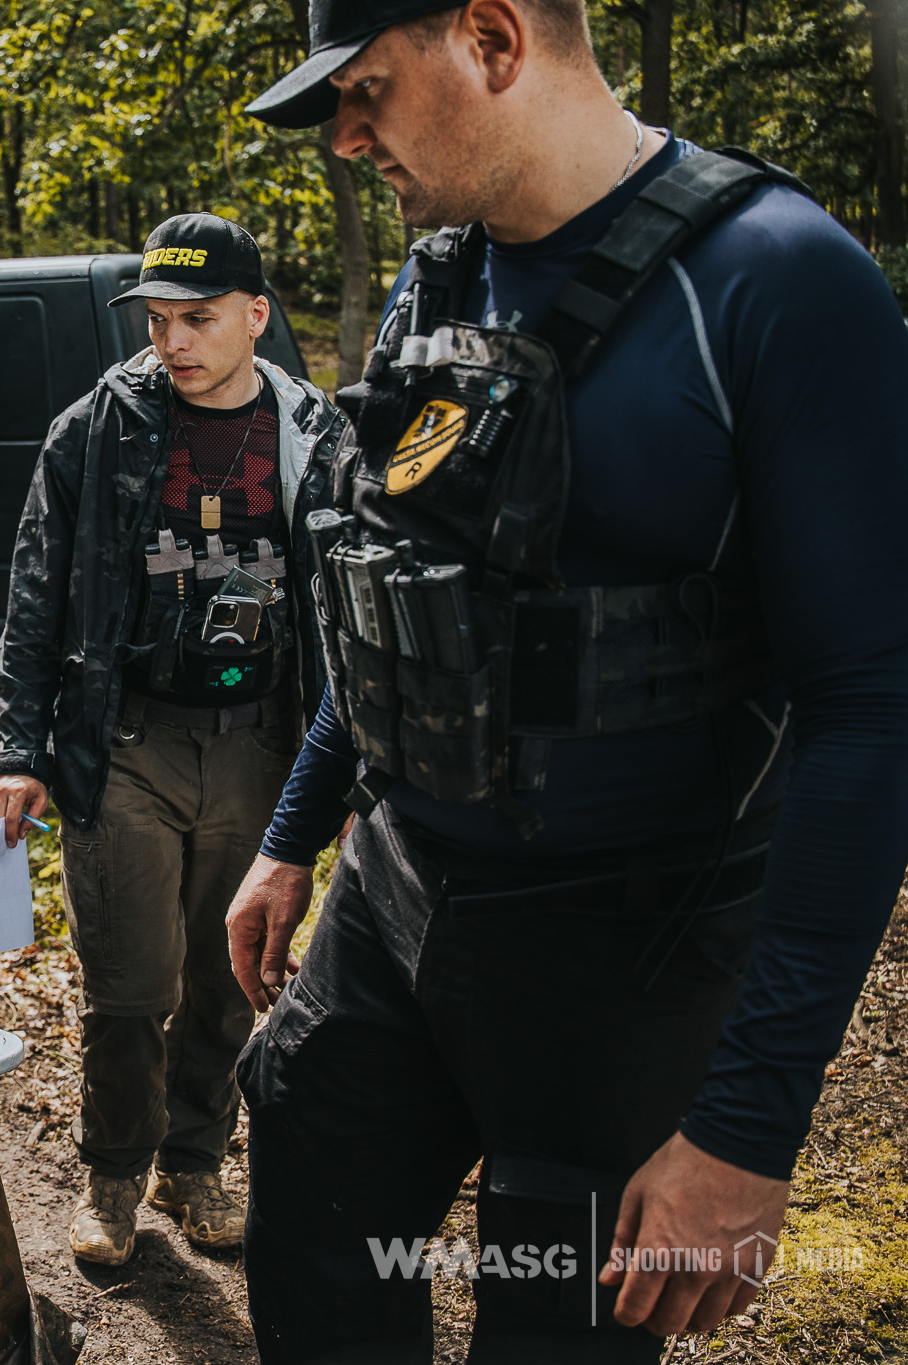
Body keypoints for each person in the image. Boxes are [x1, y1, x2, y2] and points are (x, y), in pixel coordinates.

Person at [229, 0, 908, 1357]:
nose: (348, 139)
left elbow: (873, 712)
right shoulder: (440, 278)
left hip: (624, 954)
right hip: (397, 901)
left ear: (491, 37)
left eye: (364, 91)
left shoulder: (777, 282)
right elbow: (403, 599)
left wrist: (749, 1124)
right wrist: (296, 834)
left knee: (556, 1325)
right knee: (314, 1235)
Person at [0, 214, 345, 1265]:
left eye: (195, 318)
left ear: (253, 316)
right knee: (132, 987)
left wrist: (359, 765)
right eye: (155, 319)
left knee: (232, 975)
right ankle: (110, 1179)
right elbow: (35, 593)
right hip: (124, 744)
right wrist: (17, 748)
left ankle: (193, 1167)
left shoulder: (313, 433)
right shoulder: (94, 428)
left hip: (263, 752)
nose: (171, 341)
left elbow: (346, 608)